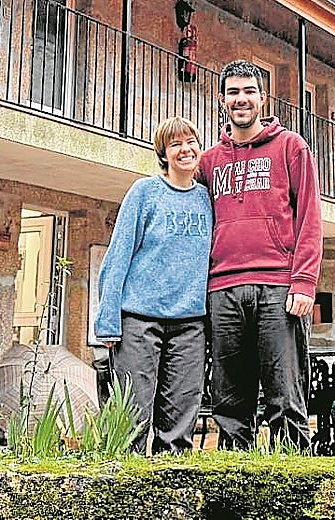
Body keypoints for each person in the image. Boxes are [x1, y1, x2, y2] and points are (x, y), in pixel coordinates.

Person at [199, 59, 323, 450]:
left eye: (249, 91)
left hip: (278, 289)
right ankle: (238, 492)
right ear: (221, 100)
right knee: (230, 403)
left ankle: (295, 490)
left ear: (262, 97)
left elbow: (309, 218)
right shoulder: (209, 161)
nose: (241, 99)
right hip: (223, 290)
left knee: (285, 398)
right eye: (233, 92)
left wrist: (304, 281)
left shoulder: (291, 147)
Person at [94, 116, 213, 454]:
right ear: (163, 153)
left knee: (179, 420)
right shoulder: (144, 193)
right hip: (139, 321)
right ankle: (126, 491)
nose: (185, 150)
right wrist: (107, 323)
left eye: (190, 142)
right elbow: (118, 257)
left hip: (190, 324)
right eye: (175, 144)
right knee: (131, 415)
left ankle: (171, 490)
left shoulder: (206, 200)